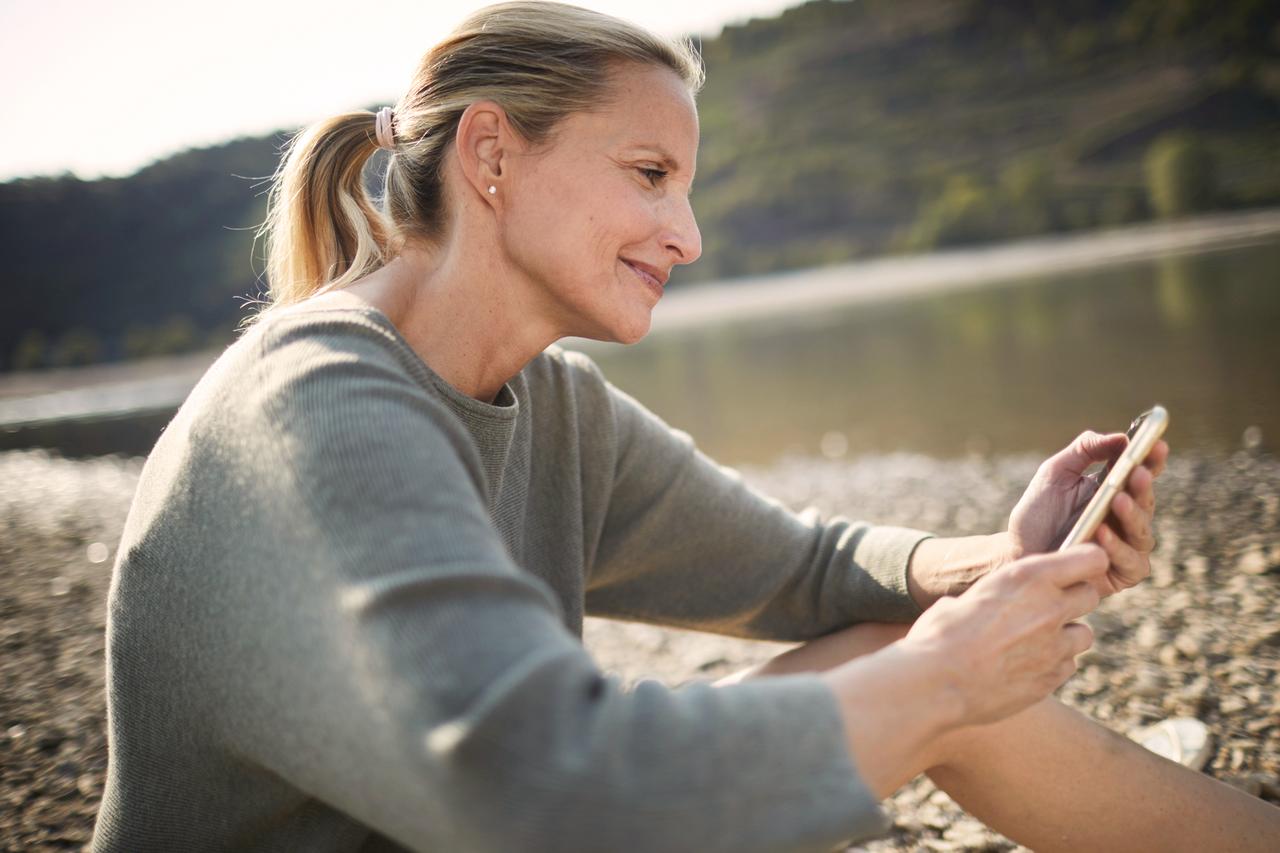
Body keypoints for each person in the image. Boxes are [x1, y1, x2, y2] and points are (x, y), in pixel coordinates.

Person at [91, 2, 1280, 851]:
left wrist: (1005, 560)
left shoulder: (546, 404)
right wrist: (943, 678)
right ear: (494, 153)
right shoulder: (318, 405)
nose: (688, 234)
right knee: (918, 677)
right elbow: (532, 787)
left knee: (901, 660)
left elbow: (801, 566)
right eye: (650, 173)